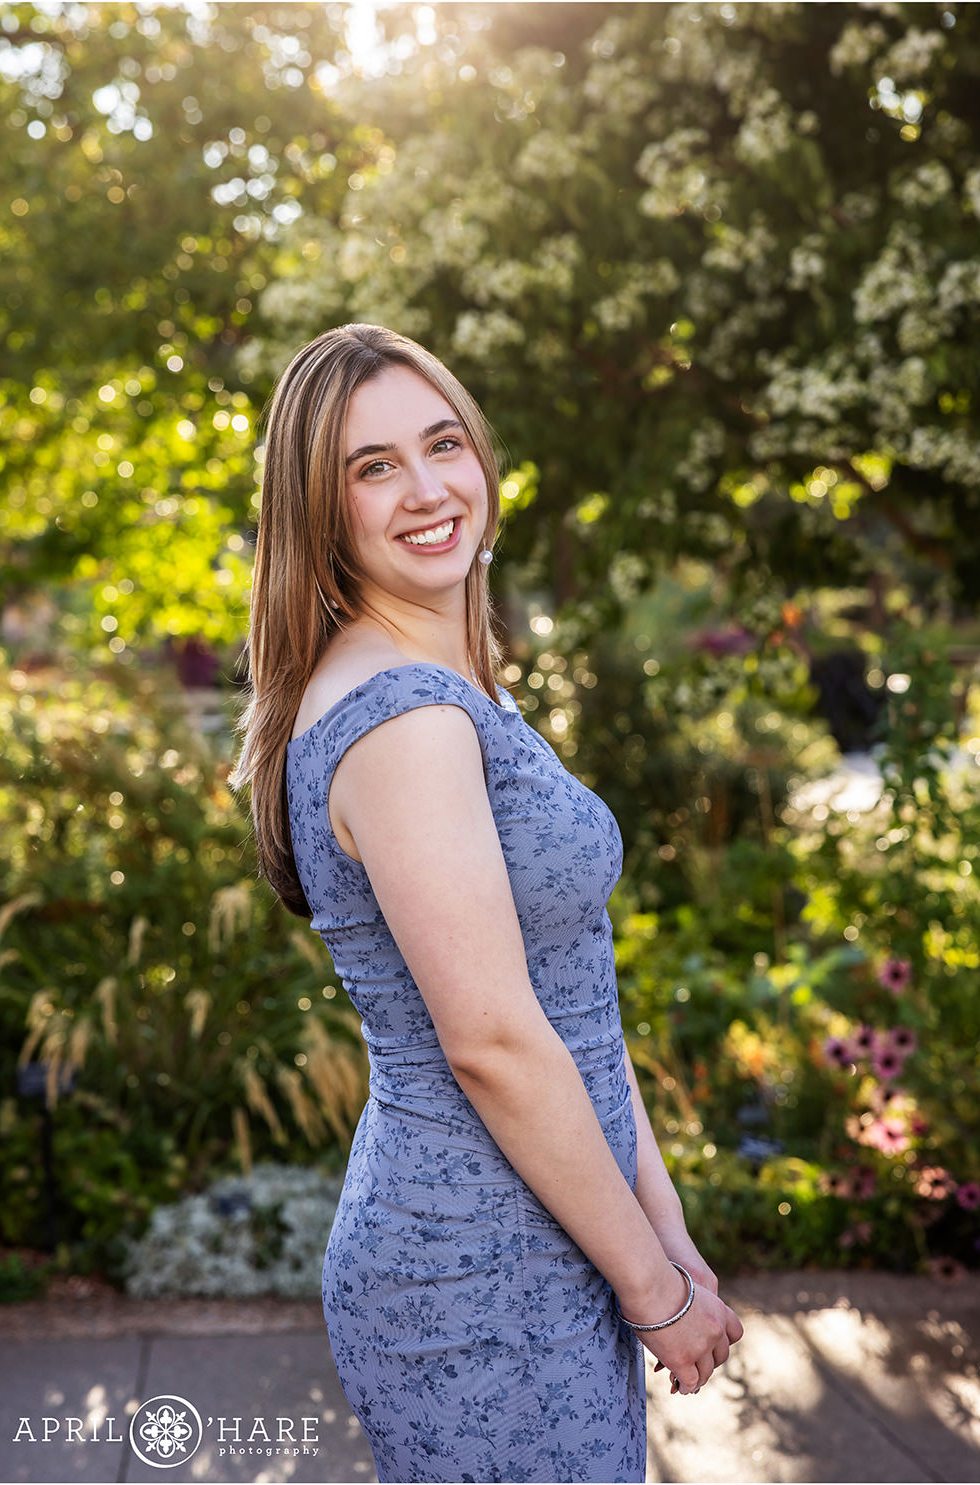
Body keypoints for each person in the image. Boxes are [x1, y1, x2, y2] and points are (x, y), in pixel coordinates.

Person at [231, 323, 743, 1484]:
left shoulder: (455, 688)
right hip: (475, 1269)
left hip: (558, 1234)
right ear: (323, 510)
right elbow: (496, 1042)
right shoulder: (403, 718)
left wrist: (661, 1234)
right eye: (373, 467)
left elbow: (578, 1005)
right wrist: (654, 1293)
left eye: (442, 444)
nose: (425, 490)